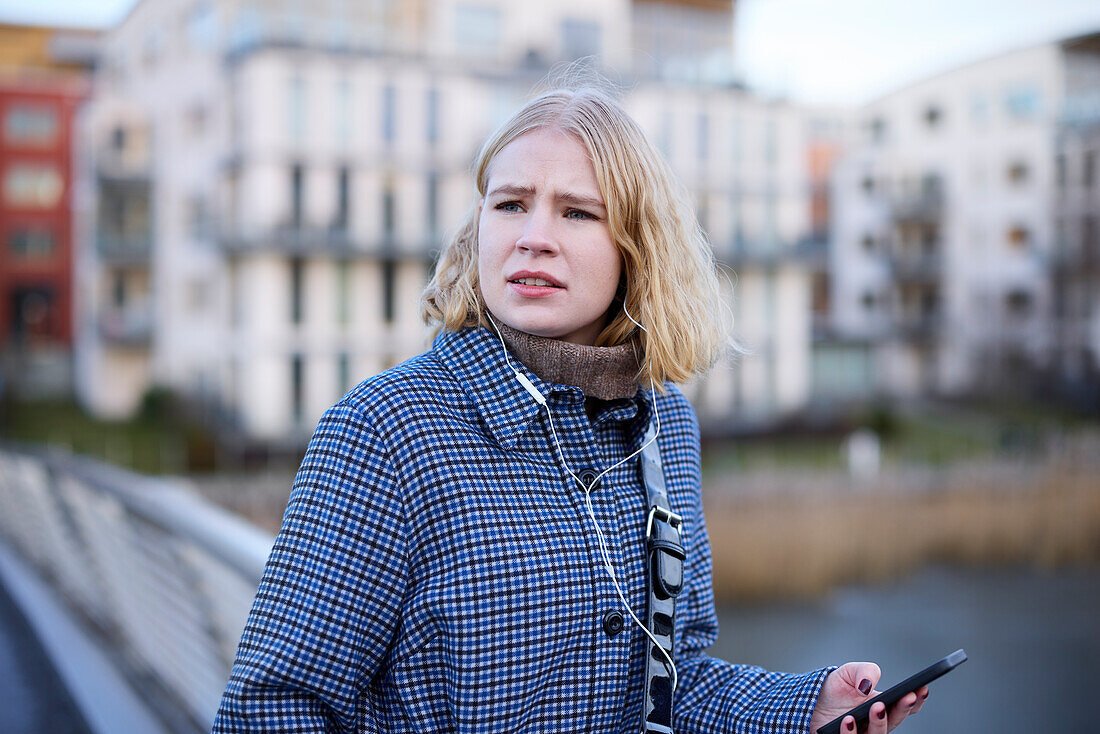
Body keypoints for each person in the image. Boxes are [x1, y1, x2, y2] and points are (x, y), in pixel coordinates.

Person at [212, 82, 928, 733]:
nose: (533, 236)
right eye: (511, 203)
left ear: (635, 248)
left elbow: (679, 686)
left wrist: (808, 707)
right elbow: (272, 709)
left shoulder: (666, 426)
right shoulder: (386, 431)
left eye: (576, 212)